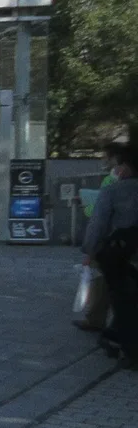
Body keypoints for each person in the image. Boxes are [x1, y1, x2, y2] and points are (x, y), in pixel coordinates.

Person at [83, 143, 138, 365]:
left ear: (125, 167)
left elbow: (98, 225)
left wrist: (90, 250)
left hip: (120, 253)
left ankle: (130, 351)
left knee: (123, 300)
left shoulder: (114, 191)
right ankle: (113, 335)